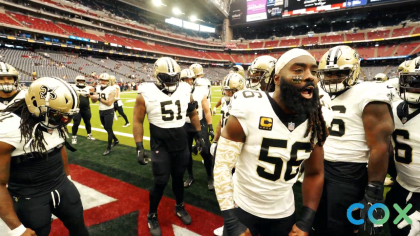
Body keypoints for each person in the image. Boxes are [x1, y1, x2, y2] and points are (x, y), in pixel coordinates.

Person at [214, 48, 328, 236]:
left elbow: (315, 173)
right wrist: (231, 220)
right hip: (243, 207)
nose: (309, 77)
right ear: (277, 79)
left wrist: (306, 220)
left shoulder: (318, 118)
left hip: (284, 212)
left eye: (314, 72)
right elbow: (222, 166)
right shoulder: (249, 108)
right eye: (298, 71)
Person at [312, 45, 395, 236]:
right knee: (318, 222)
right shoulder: (319, 92)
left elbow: (380, 146)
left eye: (340, 73)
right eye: (328, 74)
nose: (333, 78)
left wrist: (374, 189)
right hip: (320, 165)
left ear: (354, 70)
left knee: (340, 226)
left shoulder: (369, 93)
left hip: (349, 170)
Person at [0, 77, 89, 236]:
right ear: (36, 106)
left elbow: (59, 147)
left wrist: (68, 177)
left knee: (80, 230)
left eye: (67, 116)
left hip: (62, 185)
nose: (64, 121)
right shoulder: (9, 130)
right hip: (29, 196)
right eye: (58, 115)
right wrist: (17, 229)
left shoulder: (53, 119)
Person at [132, 57, 206, 236]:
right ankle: (152, 214)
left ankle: (179, 207)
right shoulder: (145, 92)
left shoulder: (186, 89)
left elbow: (193, 113)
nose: (172, 81)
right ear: (157, 76)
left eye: (175, 77)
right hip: (161, 145)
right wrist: (139, 146)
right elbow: (137, 120)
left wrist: (198, 135)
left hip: (180, 144)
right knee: (161, 182)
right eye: (168, 77)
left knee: (179, 179)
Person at [386, 56, 420, 236]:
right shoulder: (393, 108)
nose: (415, 86)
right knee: (395, 229)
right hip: (400, 186)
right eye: (411, 80)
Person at [211, 72, 246, 236]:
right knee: (226, 185)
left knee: (237, 189)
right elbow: (220, 123)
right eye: (226, 91)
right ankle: (228, 223)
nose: (227, 94)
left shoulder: (247, 105)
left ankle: (236, 225)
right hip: (226, 146)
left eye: (230, 91)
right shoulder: (227, 104)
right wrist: (215, 141)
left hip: (238, 151)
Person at [180, 68, 214, 190]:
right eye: (185, 79)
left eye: (190, 79)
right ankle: (190, 176)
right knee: (186, 153)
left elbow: (206, 110)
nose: (188, 81)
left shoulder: (200, 91)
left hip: (200, 123)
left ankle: (210, 176)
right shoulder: (177, 93)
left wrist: (210, 127)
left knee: (205, 151)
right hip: (185, 124)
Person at [91, 73, 119, 156]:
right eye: (101, 80)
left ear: (108, 81)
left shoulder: (111, 89)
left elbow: (109, 103)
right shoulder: (98, 88)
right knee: (106, 127)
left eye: (104, 80)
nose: (102, 82)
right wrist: (92, 95)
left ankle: (108, 148)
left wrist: (98, 98)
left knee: (109, 129)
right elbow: (93, 101)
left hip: (109, 110)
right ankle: (116, 140)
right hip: (101, 110)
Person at [70, 75, 95, 144]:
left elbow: (92, 96)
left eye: (82, 81)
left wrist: (92, 94)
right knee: (76, 123)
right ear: (76, 81)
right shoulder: (73, 87)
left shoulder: (88, 88)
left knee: (87, 122)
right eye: (79, 81)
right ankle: (74, 137)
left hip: (86, 108)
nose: (81, 82)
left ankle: (89, 135)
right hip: (77, 109)